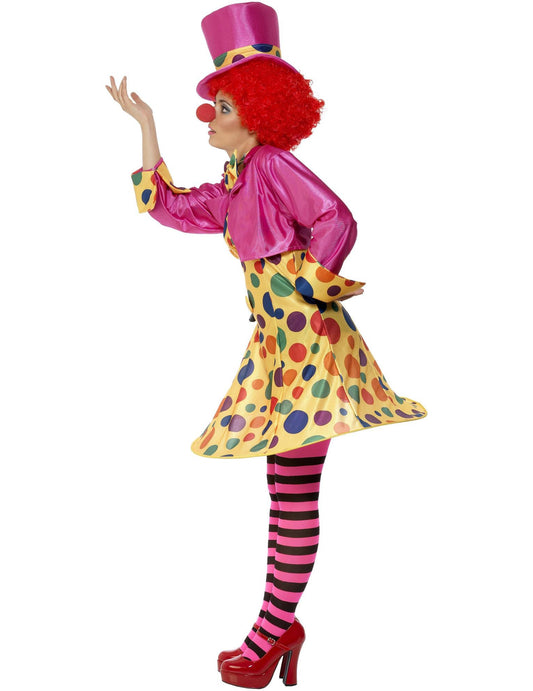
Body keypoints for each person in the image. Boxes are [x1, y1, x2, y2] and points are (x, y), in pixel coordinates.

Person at [107, 2, 427, 687]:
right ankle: (276, 628)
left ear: (257, 113)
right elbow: (167, 208)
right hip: (276, 353)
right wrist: (146, 127)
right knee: (284, 493)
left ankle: (269, 633)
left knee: (293, 496)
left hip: (308, 350)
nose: (209, 117)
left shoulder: (275, 165)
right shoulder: (235, 183)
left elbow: (337, 218)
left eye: (222, 107)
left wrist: (310, 285)